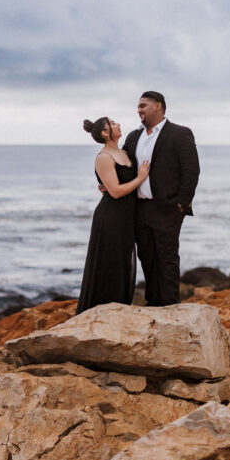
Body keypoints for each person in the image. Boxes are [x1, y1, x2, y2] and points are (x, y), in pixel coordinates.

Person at [122, 91, 200, 306]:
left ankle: (170, 305)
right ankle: (153, 303)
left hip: (167, 208)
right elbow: (122, 166)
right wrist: (106, 181)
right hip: (139, 208)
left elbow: (191, 170)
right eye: (138, 106)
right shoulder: (133, 137)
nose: (139, 110)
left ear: (159, 106)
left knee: (167, 258)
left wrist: (181, 205)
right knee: (146, 257)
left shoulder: (180, 133)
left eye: (143, 105)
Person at [76, 116, 151, 314]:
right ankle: (101, 313)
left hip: (126, 219)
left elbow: (113, 186)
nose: (118, 124)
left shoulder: (124, 152)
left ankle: (118, 310)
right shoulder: (103, 157)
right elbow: (116, 191)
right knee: (110, 265)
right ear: (105, 132)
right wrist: (140, 178)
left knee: (123, 265)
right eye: (113, 123)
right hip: (110, 219)